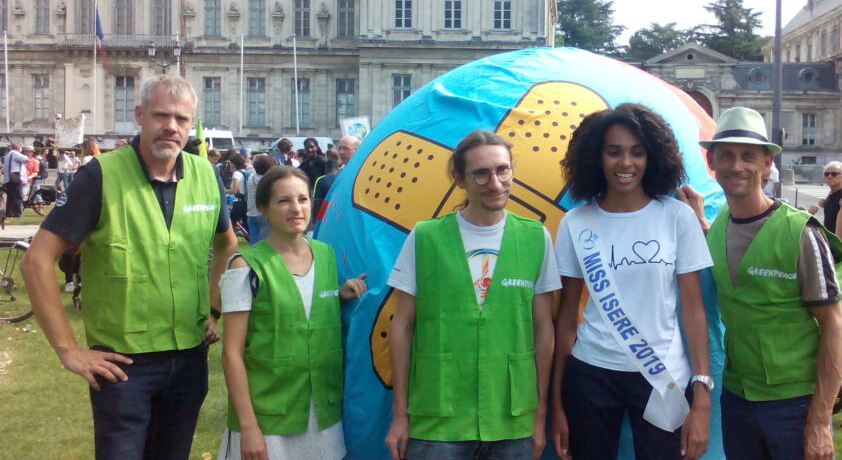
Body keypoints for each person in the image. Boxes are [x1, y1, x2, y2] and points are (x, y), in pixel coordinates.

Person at [20, 75, 238, 460]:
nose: (171, 127)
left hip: (188, 360)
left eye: (182, 119)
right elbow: (36, 261)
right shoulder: (100, 176)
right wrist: (68, 351)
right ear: (139, 115)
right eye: (161, 115)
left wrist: (214, 310)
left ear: (191, 125)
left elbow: (227, 246)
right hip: (124, 367)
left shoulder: (205, 175)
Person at [385, 130, 561, 460]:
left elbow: (544, 330)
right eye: (481, 173)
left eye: (502, 170)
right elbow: (402, 327)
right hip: (437, 417)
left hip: (511, 417)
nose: (495, 183)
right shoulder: (425, 237)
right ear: (459, 178)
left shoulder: (536, 238)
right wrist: (399, 415)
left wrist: (538, 417)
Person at [550, 103, 712, 460]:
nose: (626, 163)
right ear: (597, 158)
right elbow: (565, 319)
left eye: (637, 152)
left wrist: (701, 395)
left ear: (652, 157)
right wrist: (557, 402)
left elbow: (693, 309)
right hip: (591, 373)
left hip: (663, 376)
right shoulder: (576, 222)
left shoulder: (677, 217)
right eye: (614, 152)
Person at [696, 107, 842, 460]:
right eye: (727, 156)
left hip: (794, 404)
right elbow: (733, 251)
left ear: (767, 164)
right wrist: (698, 220)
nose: (737, 166)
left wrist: (818, 421)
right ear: (712, 162)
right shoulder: (719, 224)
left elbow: (834, 326)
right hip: (737, 397)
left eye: (749, 156)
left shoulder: (800, 233)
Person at [218, 166, 367, 460]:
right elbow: (231, 353)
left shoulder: (325, 254)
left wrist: (336, 296)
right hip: (268, 415)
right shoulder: (244, 266)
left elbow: (300, 310)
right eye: (283, 201)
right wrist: (248, 427)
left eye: (302, 199)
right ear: (263, 208)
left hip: (320, 412)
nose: (296, 208)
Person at [807, 161, 842, 234]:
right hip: (829, 240)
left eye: (834, 174)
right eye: (826, 174)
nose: (829, 176)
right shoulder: (830, 195)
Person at [245, 154, 276, 245]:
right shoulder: (270, 181)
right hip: (264, 214)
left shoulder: (250, 178)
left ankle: (251, 259)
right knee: (265, 243)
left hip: (251, 213)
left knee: (254, 243)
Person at [3, 142, 26, 217]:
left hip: (8, 178)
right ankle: (18, 212)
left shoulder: (8, 155)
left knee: (10, 196)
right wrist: (25, 154)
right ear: (18, 148)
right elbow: (25, 159)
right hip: (15, 177)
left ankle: (9, 212)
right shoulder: (15, 153)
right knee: (18, 195)